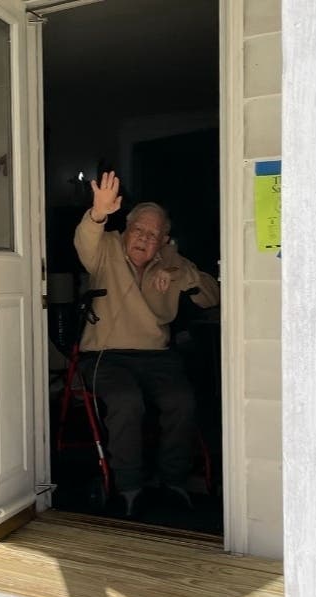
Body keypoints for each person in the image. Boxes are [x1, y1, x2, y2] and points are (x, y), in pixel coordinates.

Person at [73, 171, 219, 516]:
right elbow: (85, 239)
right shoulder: (105, 248)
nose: (143, 238)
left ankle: (173, 482)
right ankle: (130, 486)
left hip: (156, 356)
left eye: (153, 234)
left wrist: (182, 275)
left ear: (164, 240)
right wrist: (97, 213)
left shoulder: (171, 263)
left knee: (181, 400)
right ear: (126, 229)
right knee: (127, 401)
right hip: (105, 356)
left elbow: (211, 297)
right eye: (138, 229)